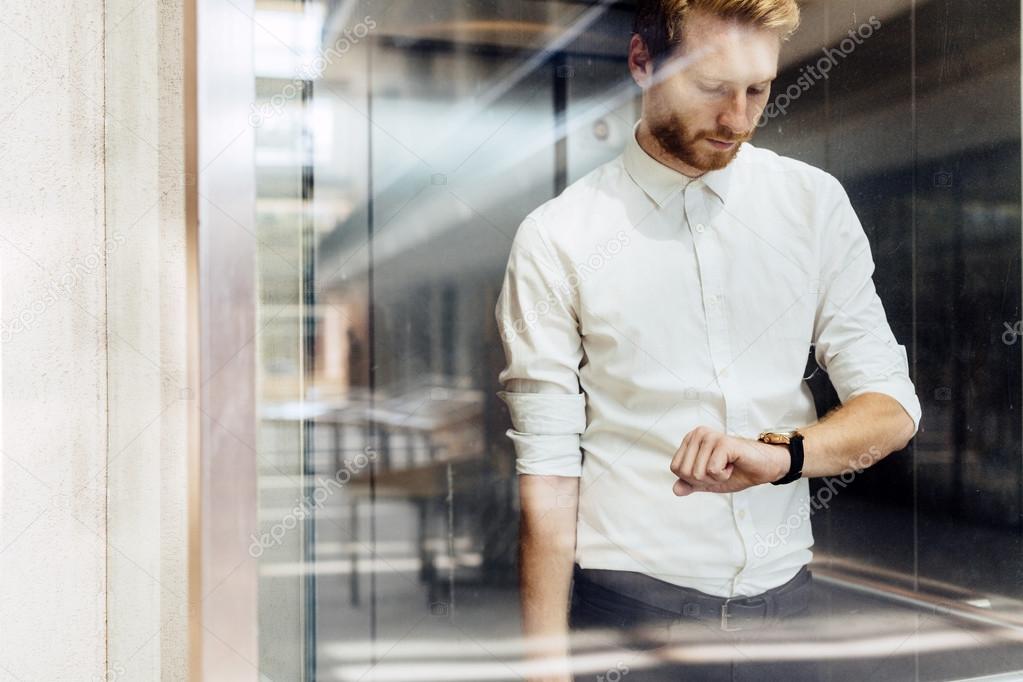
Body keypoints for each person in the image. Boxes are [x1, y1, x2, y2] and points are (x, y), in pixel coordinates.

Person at [494, 0, 922, 680]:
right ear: (641, 63)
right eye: (710, 88)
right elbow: (547, 475)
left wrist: (781, 457)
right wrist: (544, 665)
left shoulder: (812, 206)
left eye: (758, 90)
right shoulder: (558, 238)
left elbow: (892, 409)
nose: (738, 120)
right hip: (627, 616)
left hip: (787, 616)